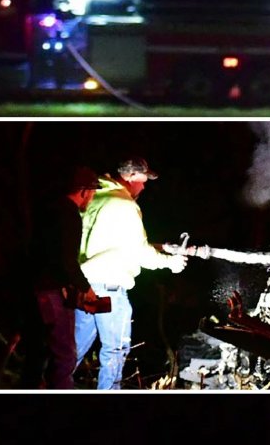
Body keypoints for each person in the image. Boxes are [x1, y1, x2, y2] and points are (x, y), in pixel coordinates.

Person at [74, 157, 188, 390]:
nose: (144, 186)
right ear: (131, 176)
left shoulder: (97, 198)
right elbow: (139, 252)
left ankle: (50, 385)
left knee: (73, 349)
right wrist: (171, 263)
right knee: (115, 350)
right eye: (143, 180)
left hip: (84, 285)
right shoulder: (125, 205)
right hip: (110, 289)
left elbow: (108, 241)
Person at [17, 166, 102, 389]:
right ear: (83, 191)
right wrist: (85, 288)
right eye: (92, 193)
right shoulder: (70, 215)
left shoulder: (48, 210)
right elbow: (67, 260)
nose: (92, 198)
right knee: (65, 356)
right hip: (52, 293)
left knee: (38, 353)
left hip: (35, 290)